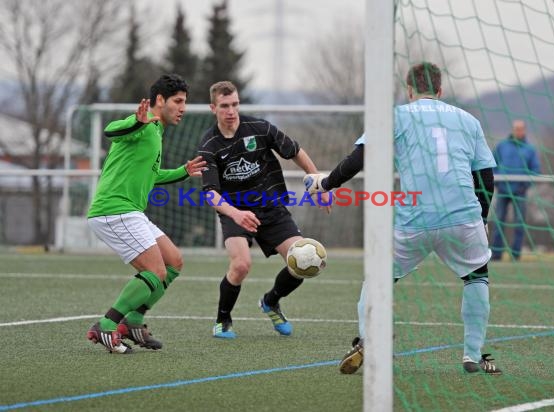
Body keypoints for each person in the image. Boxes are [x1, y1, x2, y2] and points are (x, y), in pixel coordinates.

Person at [304, 62, 502, 375]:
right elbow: (485, 177)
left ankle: (368, 338)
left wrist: (326, 184)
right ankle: (472, 354)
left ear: (409, 91)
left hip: (416, 220)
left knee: (379, 279)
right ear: (440, 90)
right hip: (463, 216)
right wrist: (483, 218)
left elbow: (359, 158)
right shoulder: (468, 120)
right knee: (476, 277)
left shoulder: (396, 115)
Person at [197, 81, 330, 339]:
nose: (231, 111)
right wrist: (236, 214)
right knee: (241, 265)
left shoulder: (259, 128)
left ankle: (271, 301)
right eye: (224, 106)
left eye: (235, 104)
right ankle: (223, 320)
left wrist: (317, 183)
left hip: (271, 206)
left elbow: (295, 151)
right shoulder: (209, 144)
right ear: (213, 108)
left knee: (302, 261)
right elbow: (211, 193)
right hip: (234, 210)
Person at [86, 74, 206, 354]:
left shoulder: (156, 132)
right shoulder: (143, 125)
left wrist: (183, 172)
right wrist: (137, 121)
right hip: (113, 211)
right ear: (160, 101)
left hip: (131, 212)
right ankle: (107, 324)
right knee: (155, 270)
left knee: (173, 262)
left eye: (184, 102)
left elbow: (152, 175)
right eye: (178, 101)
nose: (183, 108)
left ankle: (134, 321)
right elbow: (112, 130)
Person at [491, 120, 540, 261]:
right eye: (516, 129)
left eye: (521, 129)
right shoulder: (502, 146)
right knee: (499, 222)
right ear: (512, 130)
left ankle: (515, 255)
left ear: (524, 130)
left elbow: (535, 170)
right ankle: (496, 255)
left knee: (519, 223)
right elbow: (492, 163)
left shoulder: (530, 149)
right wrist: (497, 181)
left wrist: (525, 185)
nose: (518, 131)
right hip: (502, 189)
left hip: (520, 191)